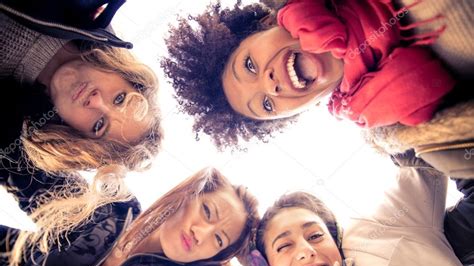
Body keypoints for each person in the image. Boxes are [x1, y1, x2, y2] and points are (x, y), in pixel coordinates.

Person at [162, 0, 473, 179]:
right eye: (266, 106)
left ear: (269, 21)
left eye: (249, 66)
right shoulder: (402, 130)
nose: (269, 84)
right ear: (299, 111)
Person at [0, 167, 260, 266]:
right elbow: (21, 165)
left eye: (218, 239)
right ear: (187, 194)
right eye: (207, 212)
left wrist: (256, 261)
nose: (201, 233)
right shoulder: (110, 209)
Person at [244, 155, 474, 266]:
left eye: (315, 235)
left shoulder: (376, 234)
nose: (306, 251)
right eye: (284, 246)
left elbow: (423, 153)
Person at [0, 0, 163, 174]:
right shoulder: (85, 9)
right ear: (125, 74)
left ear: (74, 137)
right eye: (119, 99)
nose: (95, 100)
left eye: (98, 125)